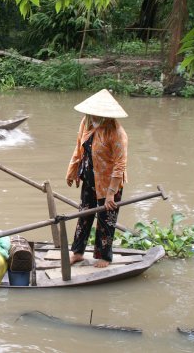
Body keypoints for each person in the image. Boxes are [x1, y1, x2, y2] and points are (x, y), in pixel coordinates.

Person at [65, 89, 129, 268]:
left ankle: (105, 256)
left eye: (96, 114)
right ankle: (77, 253)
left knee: (106, 219)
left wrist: (110, 194)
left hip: (110, 183)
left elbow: (120, 165)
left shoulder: (116, 133)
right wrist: (73, 171)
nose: (92, 116)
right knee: (84, 215)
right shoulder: (86, 123)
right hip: (89, 178)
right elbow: (80, 147)